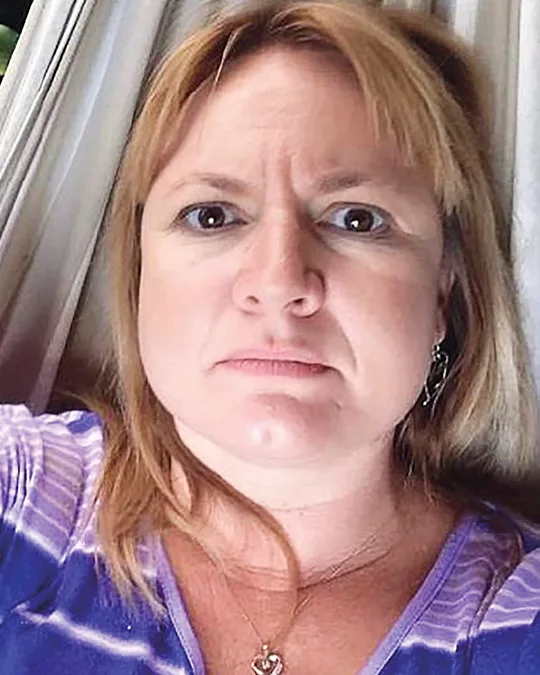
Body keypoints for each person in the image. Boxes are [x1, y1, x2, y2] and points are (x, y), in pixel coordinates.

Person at [0, 1, 539, 673]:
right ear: (139, 276)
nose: (280, 281)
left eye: (357, 218)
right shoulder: (26, 500)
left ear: (443, 294)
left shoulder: (515, 616)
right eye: (212, 215)